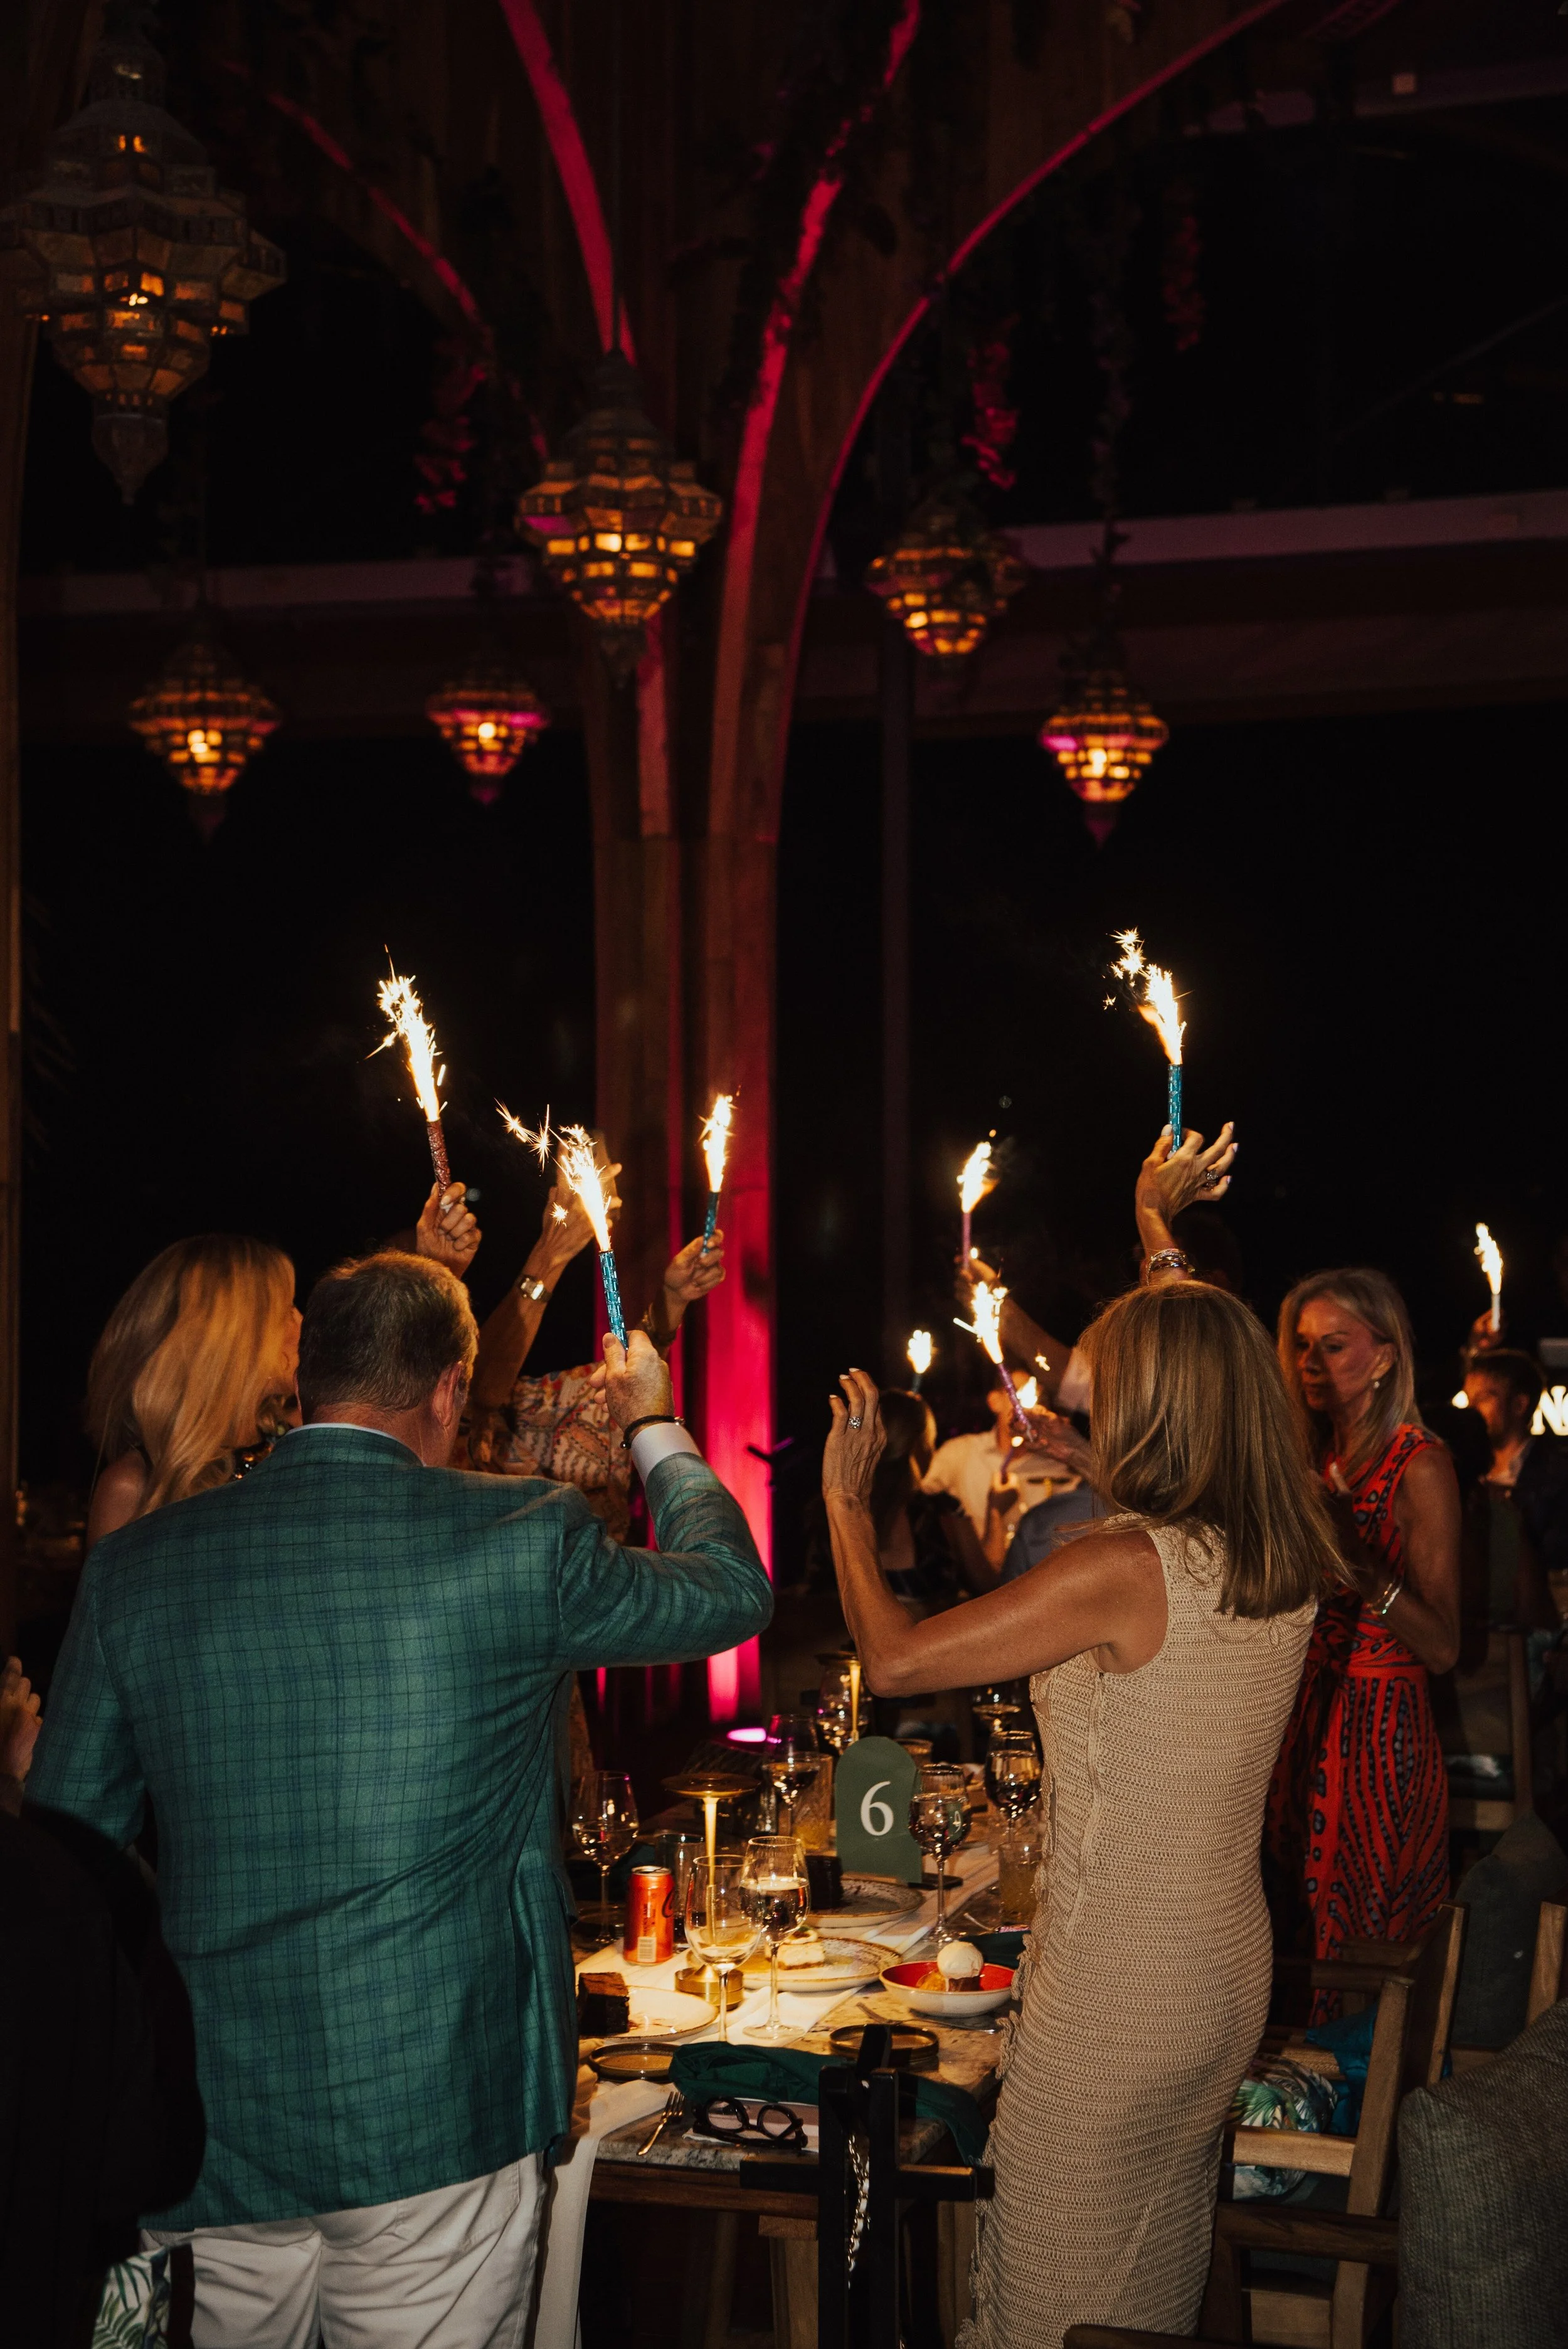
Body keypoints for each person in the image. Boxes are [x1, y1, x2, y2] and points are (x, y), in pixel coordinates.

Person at [28, 1251, 771, 2349]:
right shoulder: (521, 1537)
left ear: (309, 1375)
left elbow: (68, 1843)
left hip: (212, 2122)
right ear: (450, 1388)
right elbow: (732, 1590)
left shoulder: (141, 1568)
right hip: (437, 2114)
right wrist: (653, 1426)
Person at [823, 1279, 1331, 2348]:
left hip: (1122, 1988)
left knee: (1053, 2298)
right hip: (1223, 1969)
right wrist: (1088, 1454)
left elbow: (899, 1658)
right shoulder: (1275, 1551)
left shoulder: (1116, 1568)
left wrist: (843, 1505)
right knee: (1145, 2270)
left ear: (1157, 1406)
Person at [84, 1182, 477, 1551]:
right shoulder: (133, 1489)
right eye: (286, 1309)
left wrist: (435, 1274)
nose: (302, 1321)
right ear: (234, 1341)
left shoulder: (297, 1439)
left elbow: (398, 1440)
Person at [1266, 1270, 1462, 1976]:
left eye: (1334, 1345)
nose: (1311, 1363)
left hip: (1379, 1732)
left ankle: (1365, 2087)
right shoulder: (1310, 1458)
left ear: (1383, 1357)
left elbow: (1442, 1647)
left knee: (1359, 1949)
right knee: (1288, 1926)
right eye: (1301, 1345)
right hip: (1304, 1718)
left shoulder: (1420, 1463)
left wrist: (1361, 1564)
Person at [463, 1157, 724, 1539]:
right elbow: (479, 1396)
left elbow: (620, 1384)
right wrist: (549, 1256)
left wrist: (673, 1297)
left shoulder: (545, 1406)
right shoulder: (451, 1424)